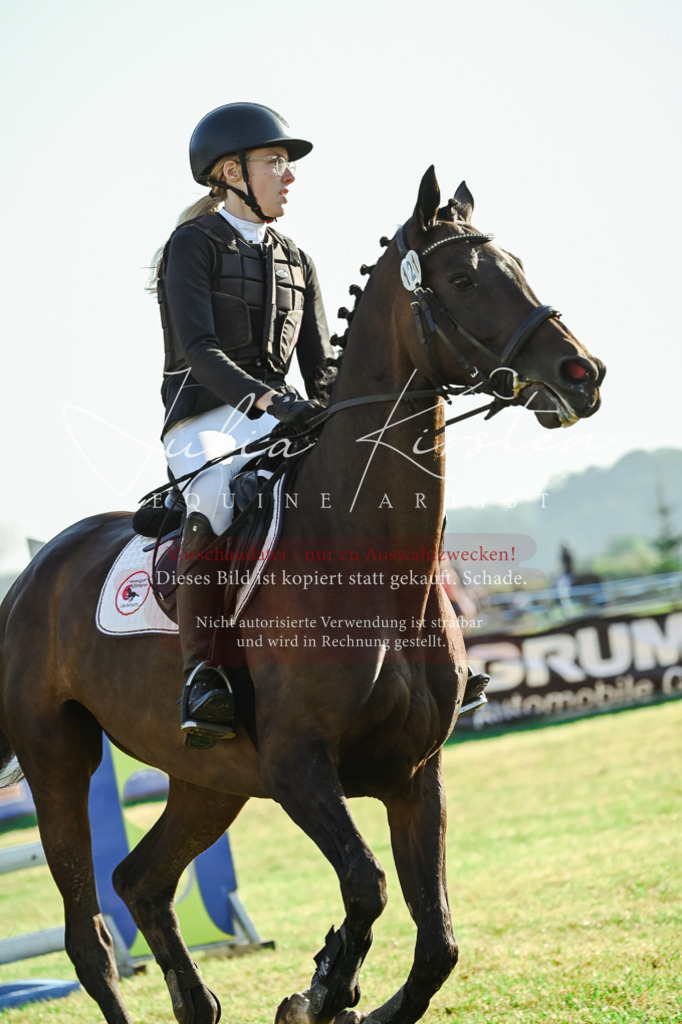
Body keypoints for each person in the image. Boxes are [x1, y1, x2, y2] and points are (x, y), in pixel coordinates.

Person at [155, 102, 333, 746]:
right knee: (213, 494)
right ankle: (203, 672)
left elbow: (322, 369)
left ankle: (427, 631)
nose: (289, 176)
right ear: (231, 171)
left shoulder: (298, 259)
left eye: (287, 165)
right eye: (276, 163)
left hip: (278, 419)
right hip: (206, 421)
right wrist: (268, 400)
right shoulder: (192, 245)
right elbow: (199, 349)